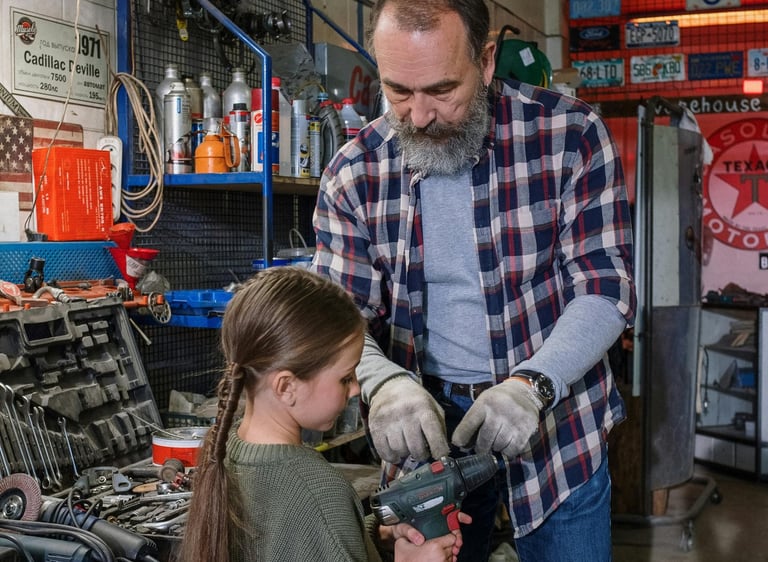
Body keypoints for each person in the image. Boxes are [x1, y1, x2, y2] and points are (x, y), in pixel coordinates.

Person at [311, 1, 636, 561]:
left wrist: (533, 384)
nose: (417, 115)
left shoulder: (570, 135)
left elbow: (604, 289)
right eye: (397, 92)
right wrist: (383, 381)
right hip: (427, 428)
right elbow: (339, 318)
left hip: (557, 419)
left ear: (485, 61)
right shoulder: (353, 171)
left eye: (441, 90)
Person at [178, 267, 468, 562]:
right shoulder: (320, 492)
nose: (356, 389)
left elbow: (296, 545)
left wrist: (376, 534)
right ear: (287, 387)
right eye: (345, 378)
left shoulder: (225, 448)